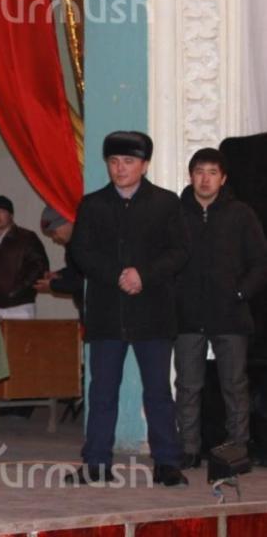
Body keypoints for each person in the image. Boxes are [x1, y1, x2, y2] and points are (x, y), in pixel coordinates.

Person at [70, 130, 189, 487]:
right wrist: (117, 275)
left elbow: (179, 252)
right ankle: (96, 463)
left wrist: (143, 275)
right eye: (114, 161)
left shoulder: (166, 203)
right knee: (102, 391)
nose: (120, 168)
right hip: (107, 313)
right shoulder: (92, 205)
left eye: (128, 161)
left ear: (144, 165)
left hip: (153, 313)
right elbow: (80, 252)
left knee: (158, 392)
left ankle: (167, 463)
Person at [174, 147, 267, 468]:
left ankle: (237, 450)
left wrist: (240, 293)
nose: (205, 179)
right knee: (187, 386)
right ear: (191, 176)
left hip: (231, 315)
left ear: (223, 178)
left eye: (212, 173)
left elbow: (260, 263)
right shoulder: (176, 213)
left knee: (234, 387)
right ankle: (188, 449)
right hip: (188, 316)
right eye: (200, 172)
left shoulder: (241, 214)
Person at [0, 195, 49, 319]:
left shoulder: (27, 238)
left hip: (20, 306)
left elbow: (39, 267)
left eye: (2, 211)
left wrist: (17, 291)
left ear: (11, 215)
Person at [34, 205, 84, 318]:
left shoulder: (84, 245)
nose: (54, 238)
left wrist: (52, 285)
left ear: (66, 222)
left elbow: (83, 281)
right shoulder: (73, 244)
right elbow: (76, 271)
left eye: (54, 232)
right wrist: (59, 275)